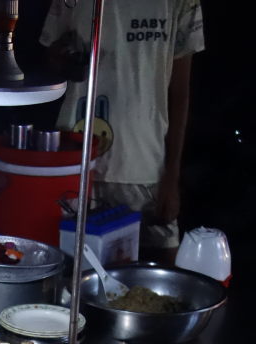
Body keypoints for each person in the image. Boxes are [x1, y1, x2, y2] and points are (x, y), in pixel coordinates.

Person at [39, 0, 204, 255]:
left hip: (143, 167)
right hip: (76, 162)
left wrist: (172, 177)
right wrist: (62, 59)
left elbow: (180, 91)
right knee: (71, 273)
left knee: (154, 280)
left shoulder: (180, 2)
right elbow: (52, 55)